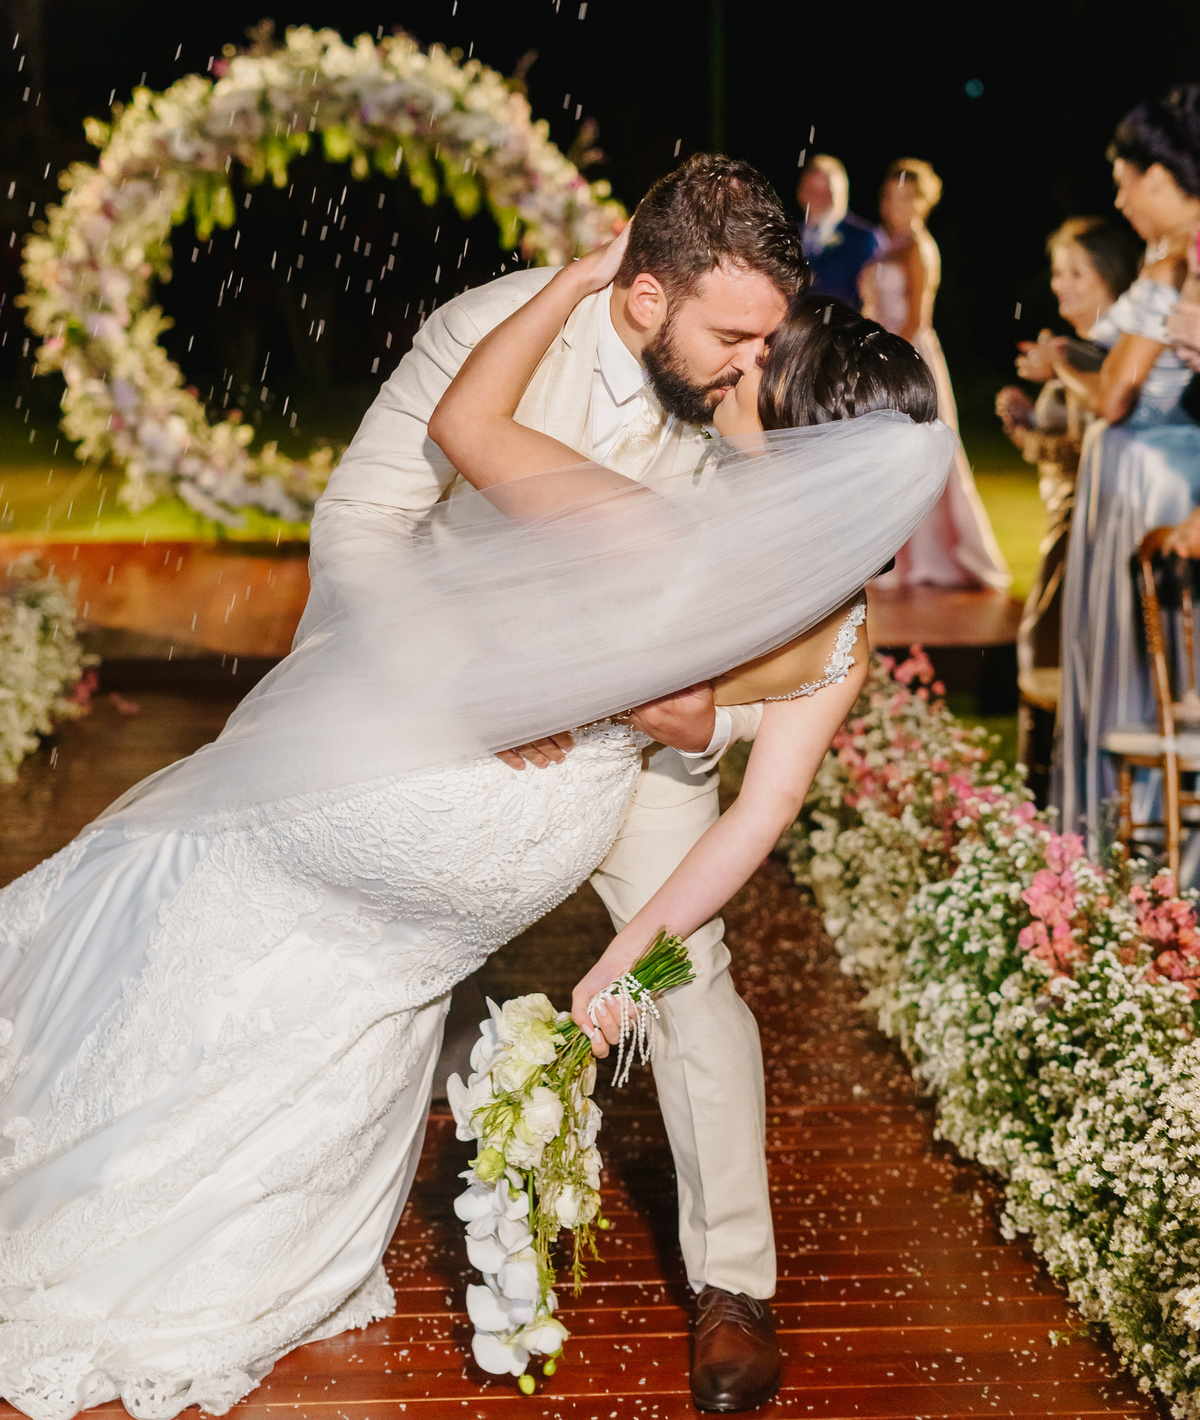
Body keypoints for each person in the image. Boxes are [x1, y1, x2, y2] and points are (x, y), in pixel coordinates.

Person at [0, 191, 954, 1420]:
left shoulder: (653, 519)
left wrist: (680, 713)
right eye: (737, 341)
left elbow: (475, 429)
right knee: (611, 955)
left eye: (764, 356)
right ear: (656, 295)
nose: (745, 364)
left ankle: (735, 1289)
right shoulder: (844, 636)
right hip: (475, 754)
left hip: (534, 785)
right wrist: (615, 969)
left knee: (668, 977)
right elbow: (371, 519)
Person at [1053, 87, 1200, 846]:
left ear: (1160, 176)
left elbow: (1116, 395)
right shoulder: (1174, 258)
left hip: (1153, 473)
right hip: (1156, 470)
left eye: (1123, 179)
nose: (1118, 197)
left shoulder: (1179, 260)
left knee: (1145, 655)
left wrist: (1066, 370)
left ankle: (1138, 815)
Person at [995, 219, 1140, 712]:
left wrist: (1059, 363)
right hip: (1066, 533)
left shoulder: (1106, 357)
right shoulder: (1077, 352)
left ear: (1112, 276)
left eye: (1076, 273)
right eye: (1058, 272)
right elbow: (1066, 450)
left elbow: (1095, 443)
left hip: (1092, 537)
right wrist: (1025, 425)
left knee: (1062, 653)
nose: (1060, 284)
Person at [859, 156, 1011, 590]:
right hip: (885, 354)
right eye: (889, 196)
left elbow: (917, 319)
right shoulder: (888, 246)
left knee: (923, 454)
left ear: (923, 202)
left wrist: (887, 360)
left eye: (905, 197)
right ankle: (898, 558)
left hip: (908, 358)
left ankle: (935, 557)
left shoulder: (919, 248)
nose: (895, 205)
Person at [797, 153, 881, 309]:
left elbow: (872, 301)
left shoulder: (863, 238)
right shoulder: (789, 235)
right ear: (800, 193)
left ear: (844, 194)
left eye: (828, 192)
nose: (820, 199)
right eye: (812, 190)